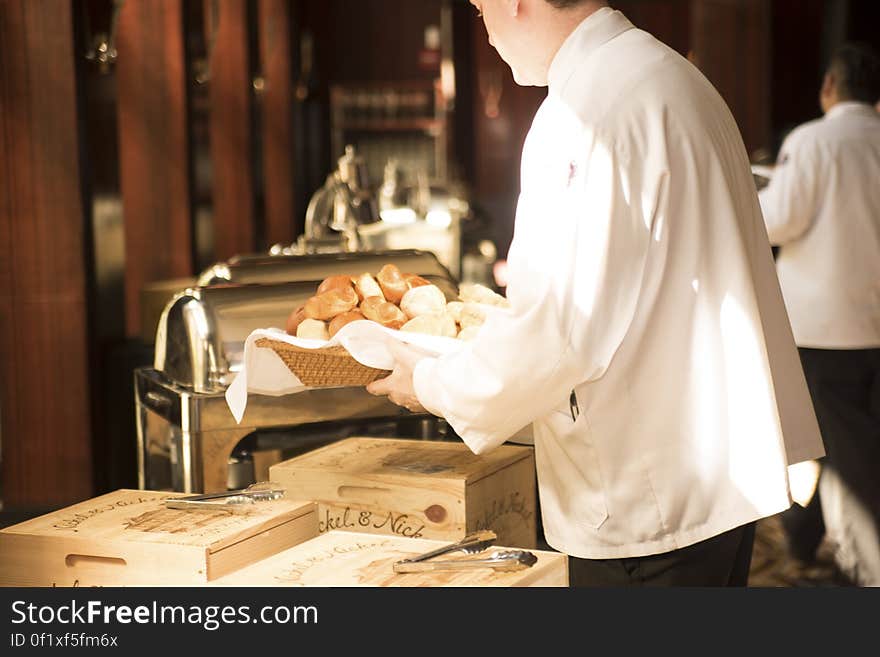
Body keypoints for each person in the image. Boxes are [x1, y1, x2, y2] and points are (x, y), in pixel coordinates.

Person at [368, 0, 824, 586]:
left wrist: (430, 383)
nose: (485, 32)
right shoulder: (672, 76)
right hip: (711, 466)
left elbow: (560, 330)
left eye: (481, 11)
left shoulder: (585, 111)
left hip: (649, 495)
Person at [758, 42, 880, 586]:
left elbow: (778, 221)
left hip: (825, 326)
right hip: (872, 321)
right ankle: (804, 543)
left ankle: (866, 573)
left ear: (830, 86)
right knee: (849, 444)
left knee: (843, 458)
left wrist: (750, 194)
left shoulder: (812, 140)